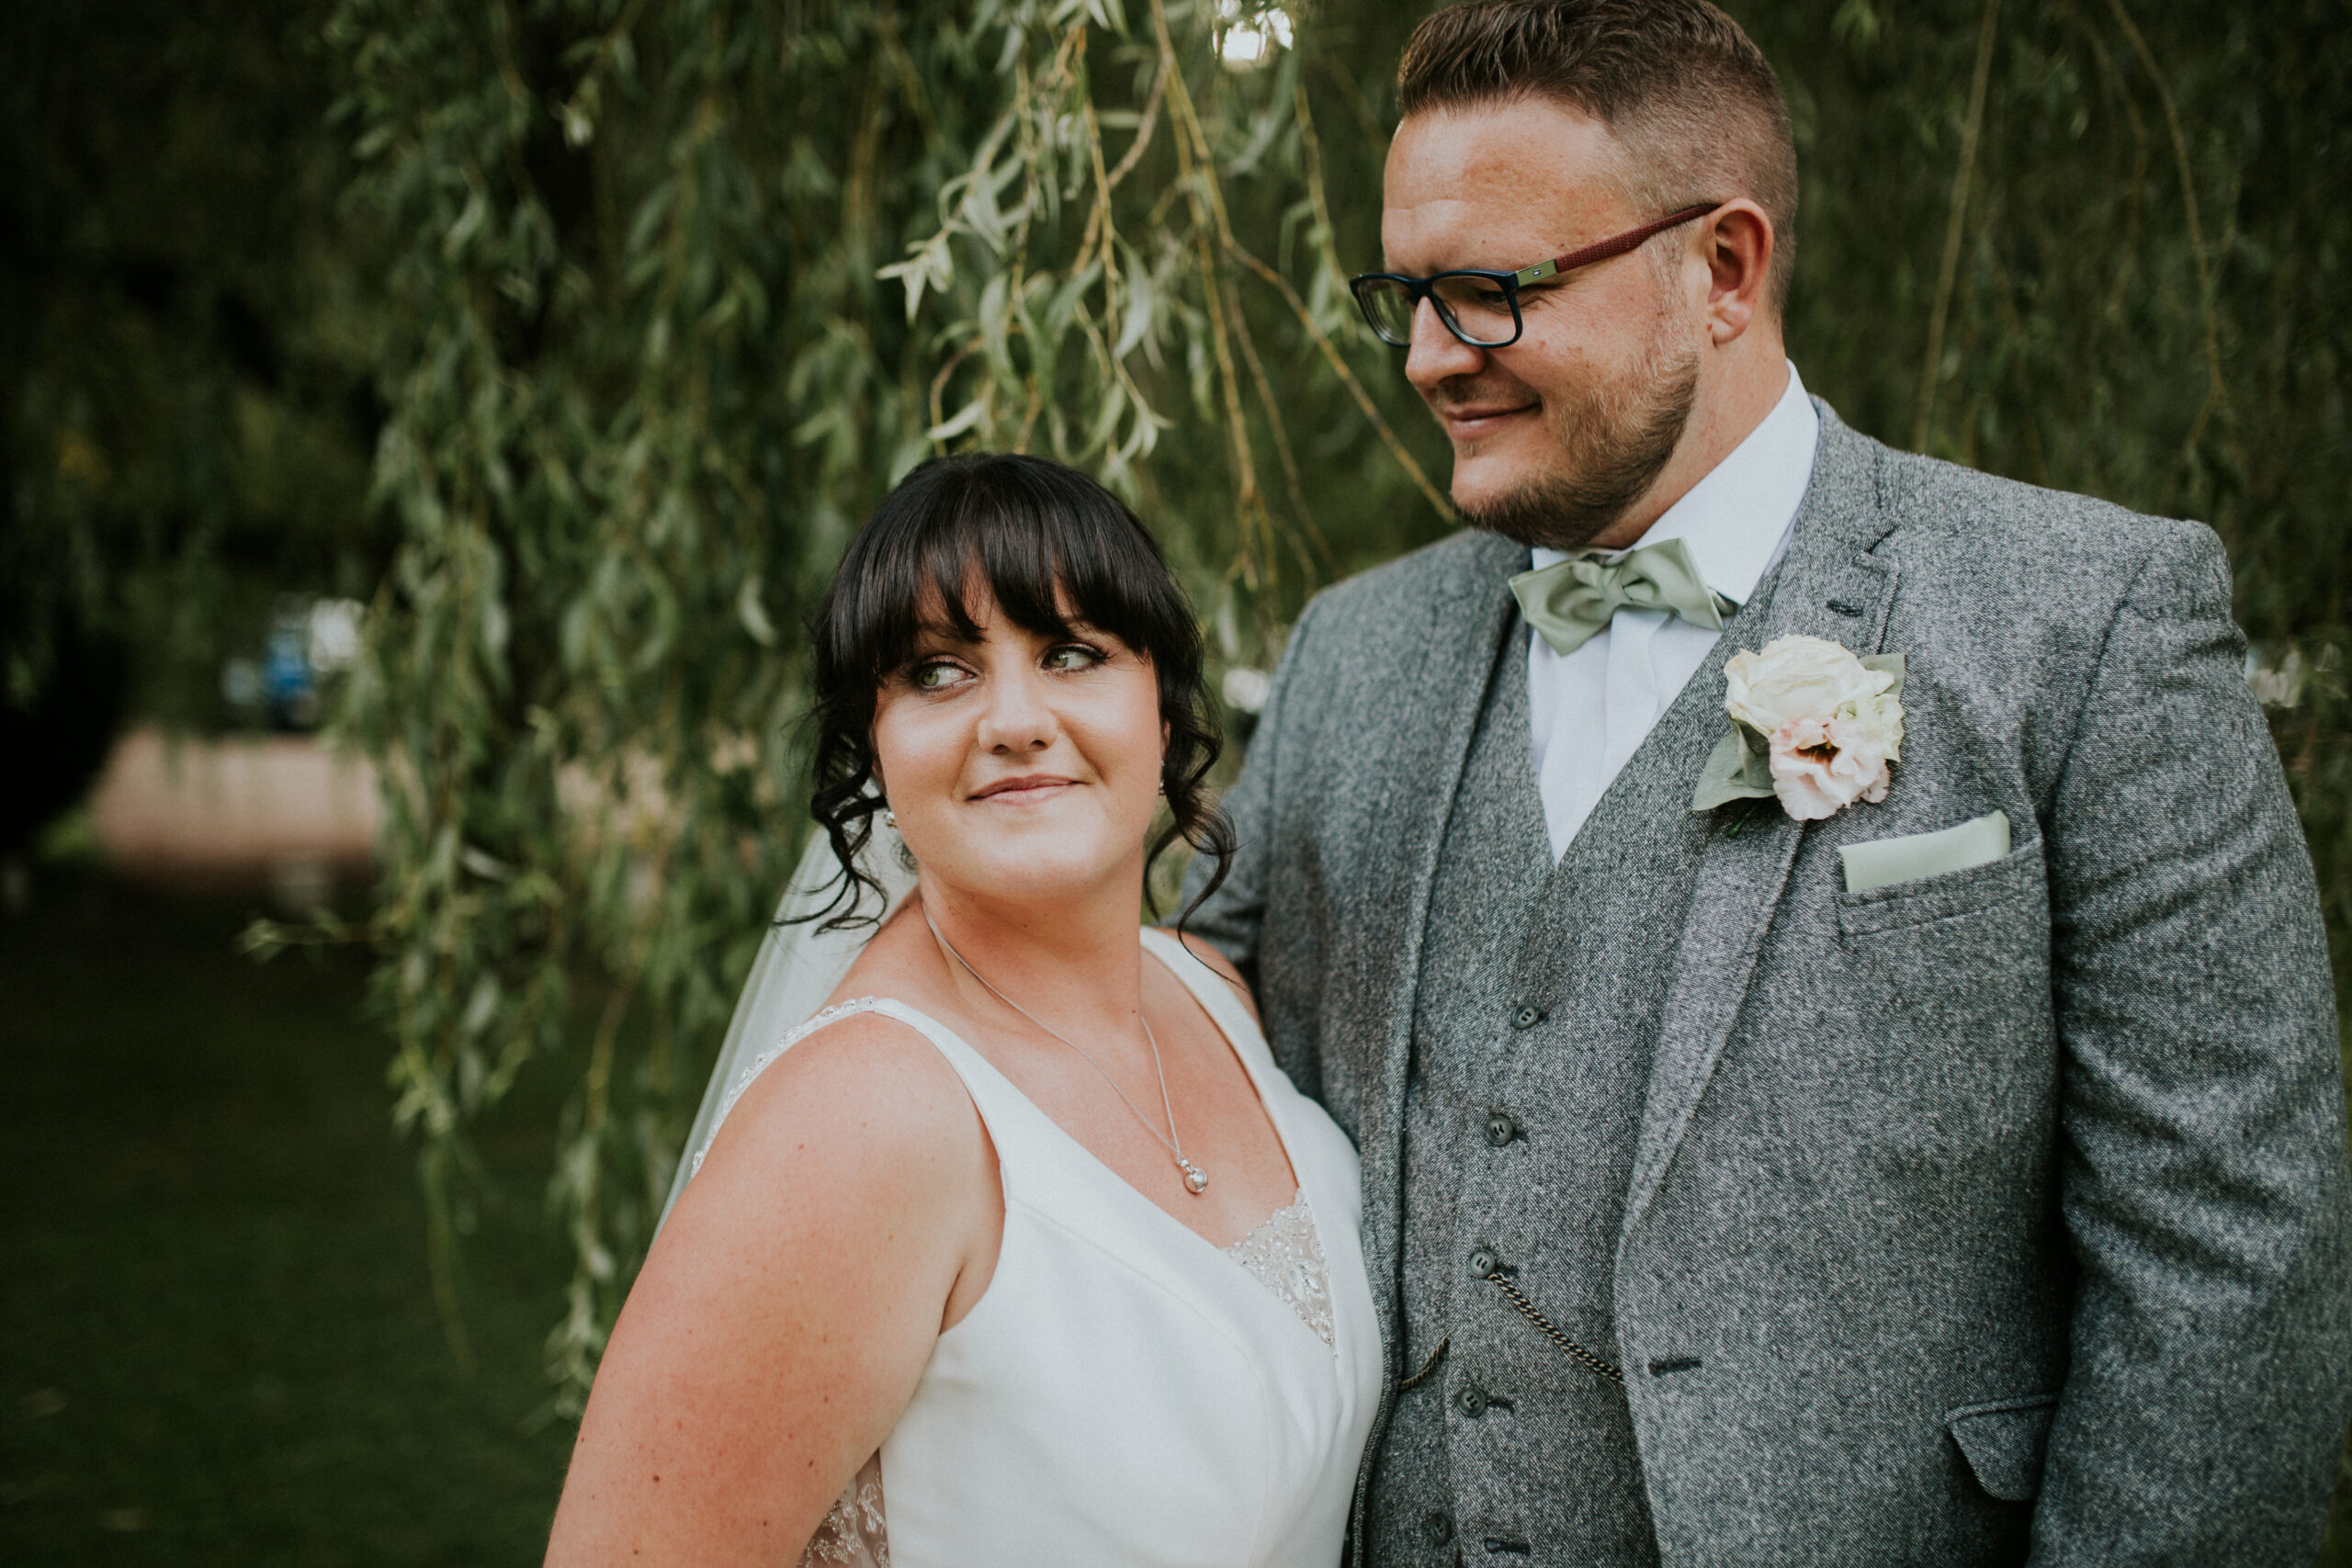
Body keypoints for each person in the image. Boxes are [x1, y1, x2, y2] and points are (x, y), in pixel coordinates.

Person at [1180, 2, 2352, 1563]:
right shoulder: (1350, 654)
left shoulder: (2085, 623)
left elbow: (2232, 1265)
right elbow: (1157, 1052)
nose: (1423, 358)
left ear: (1724, 268)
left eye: (1486, 294)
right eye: (1403, 294)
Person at [545, 455, 1382, 1566]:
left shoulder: (1208, 990)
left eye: (1073, 654)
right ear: (875, 750)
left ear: (1165, 710)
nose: (1015, 720)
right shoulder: (860, 1122)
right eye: (939, 674)